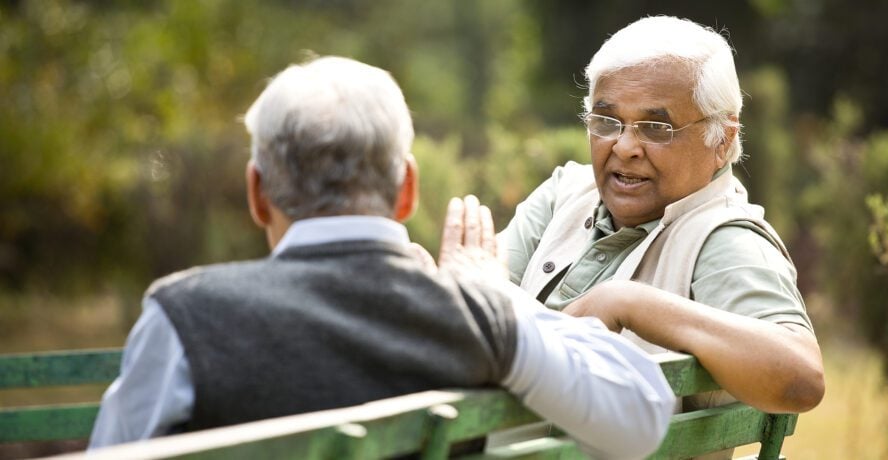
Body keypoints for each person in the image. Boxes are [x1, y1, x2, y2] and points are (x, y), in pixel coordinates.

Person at [88, 56, 675, 459]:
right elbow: (644, 415)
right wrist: (494, 300)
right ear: (408, 191)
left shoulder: (186, 317)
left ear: (257, 193)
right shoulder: (480, 320)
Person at [487, 15, 825, 417]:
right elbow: (477, 296)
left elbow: (801, 378)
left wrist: (629, 303)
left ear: (723, 139)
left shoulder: (722, 238)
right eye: (607, 122)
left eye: (655, 127)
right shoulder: (566, 193)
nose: (625, 146)